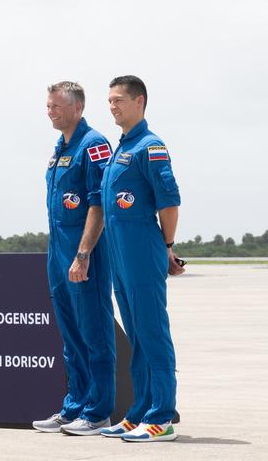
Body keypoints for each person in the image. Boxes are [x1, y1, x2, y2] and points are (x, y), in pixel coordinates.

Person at [97, 75, 183, 443]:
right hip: (120, 254)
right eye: (110, 100)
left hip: (143, 251)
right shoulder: (120, 148)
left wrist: (167, 246)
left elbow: (169, 202)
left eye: (118, 100)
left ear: (139, 101)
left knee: (152, 332)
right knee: (136, 334)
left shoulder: (151, 146)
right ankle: (140, 411)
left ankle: (162, 415)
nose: (112, 106)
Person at [32, 82, 117, 436]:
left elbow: (97, 205)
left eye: (56, 105)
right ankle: (75, 406)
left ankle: (98, 412)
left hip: (85, 255)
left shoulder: (94, 144)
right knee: (71, 336)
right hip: (58, 253)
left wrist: (83, 255)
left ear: (77, 108)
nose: (49, 110)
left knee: (94, 332)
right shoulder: (60, 148)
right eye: (48, 105)